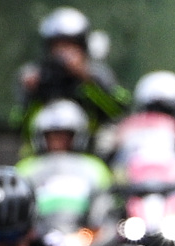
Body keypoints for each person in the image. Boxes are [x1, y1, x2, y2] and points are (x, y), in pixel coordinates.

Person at [14, 7, 129, 148]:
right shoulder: (36, 76)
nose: (63, 53)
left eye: (70, 45)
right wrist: (32, 93)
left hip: (90, 150)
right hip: (45, 153)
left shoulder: (96, 74)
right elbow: (19, 124)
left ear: (83, 47)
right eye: (58, 46)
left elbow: (119, 109)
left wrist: (87, 81)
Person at [16, 100, 113, 237]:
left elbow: (102, 210)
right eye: (52, 135)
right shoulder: (26, 169)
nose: (58, 141)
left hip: (84, 240)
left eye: (64, 135)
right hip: (39, 240)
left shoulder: (94, 168)